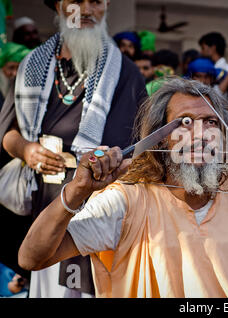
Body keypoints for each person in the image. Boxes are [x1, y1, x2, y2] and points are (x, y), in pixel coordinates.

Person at [18, 77, 228, 298]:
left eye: (210, 121)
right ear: (160, 137)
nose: (200, 134)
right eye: (185, 122)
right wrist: (77, 190)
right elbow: (31, 258)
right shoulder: (126, 200)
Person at [0, 0, 147, 298]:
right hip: (42, 207)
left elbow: (141, 152)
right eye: (76, 1)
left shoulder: (127, 74)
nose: (87, 10)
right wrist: (27, 150)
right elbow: (7, 133)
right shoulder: (33, 65)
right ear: (57, 5)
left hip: (97, 213)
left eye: (96, 1)